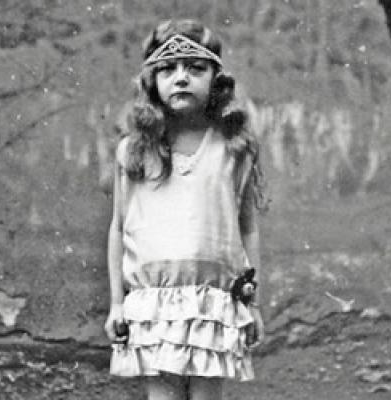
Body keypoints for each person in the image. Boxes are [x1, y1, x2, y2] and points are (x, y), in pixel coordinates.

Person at [104, 19, 266, 400]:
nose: (181, 78)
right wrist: (116, 303)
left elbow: (248, 228)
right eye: (168, 69)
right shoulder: (134, 150)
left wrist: (254, 304)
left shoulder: (233, 150)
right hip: (154, 304)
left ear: (216, 80)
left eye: (195, 68)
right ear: (152, 82)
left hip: (213, 303)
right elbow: (119, 227)